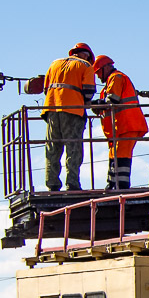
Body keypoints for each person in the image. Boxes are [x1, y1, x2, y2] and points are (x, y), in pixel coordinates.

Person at [42, 42, 98, 192]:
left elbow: (45, 88)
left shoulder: (54, 63)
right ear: (86, 55)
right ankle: (72, 183)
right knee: (73, 148)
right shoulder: (85, 66)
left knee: (53, 148)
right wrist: (87, 104)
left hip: (51, 109)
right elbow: (88, 91)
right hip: (73, 110)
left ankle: (51, 183)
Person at [91, 55, 149, 190]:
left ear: (106, 67)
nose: (98, 77)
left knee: (121, 156)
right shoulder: (112, 81)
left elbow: (112, 100)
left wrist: (96, 104)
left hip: (127, 125)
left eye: (99, 72)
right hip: (121, 127)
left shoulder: (116, 78)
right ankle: (112, 184)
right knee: (114, 154)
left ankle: (121, 187)